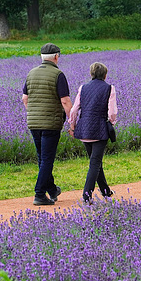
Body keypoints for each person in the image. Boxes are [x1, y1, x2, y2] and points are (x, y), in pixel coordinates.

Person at [22, 43, 72, 206]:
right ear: (56, 57)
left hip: (34, 123)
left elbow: (25, 98)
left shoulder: (31, 73)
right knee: (47, 159)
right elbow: (64, 100)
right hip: (51, 123)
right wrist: (73, 120)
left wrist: (33, 112)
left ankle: (51, 189)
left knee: (42, 158)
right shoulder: (58, 74)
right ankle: (39, 194)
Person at [69, 62, 118, 204]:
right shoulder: (110, 88)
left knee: (95, 162)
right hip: (100, 129)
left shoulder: (83, 88)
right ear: (105, 75)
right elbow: (112, 112)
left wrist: (72, 126)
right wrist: (110, 123)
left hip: (84, 129)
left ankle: (106, 192)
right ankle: (86, 196)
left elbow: (74, 110)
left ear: (91, 74)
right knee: (95, 163)